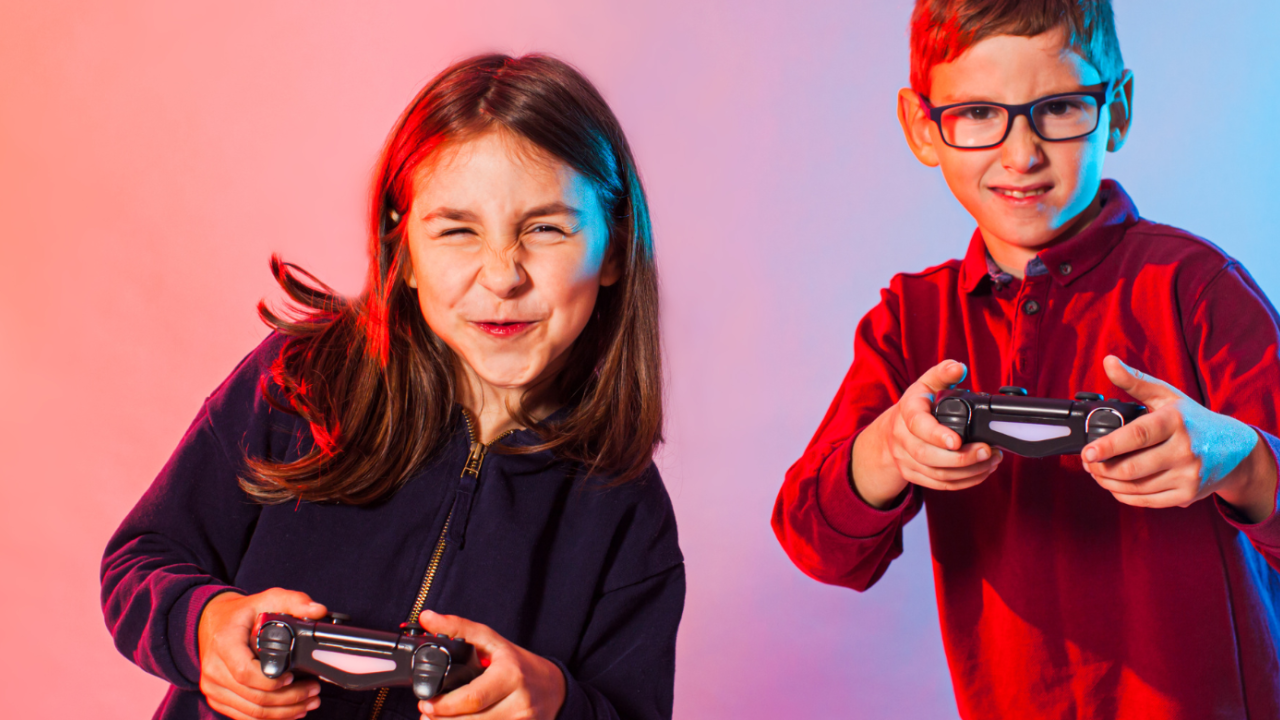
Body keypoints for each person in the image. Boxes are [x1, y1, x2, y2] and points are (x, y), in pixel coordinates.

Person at [102, 54, 683, 720]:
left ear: (613, 250)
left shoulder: (626, 511)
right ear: (402, 248)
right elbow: (140, 559)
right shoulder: (304, 381)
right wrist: (204, 625)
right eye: (457, 230)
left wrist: (556, 703)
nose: (502, 276)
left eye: (546, 228)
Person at [772, 1, 1280, 717]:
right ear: (923, 126)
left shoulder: (1199, 289)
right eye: (978, 113)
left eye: (1061, 107)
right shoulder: (911, 320)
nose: (1021, 155)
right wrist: (887, 451)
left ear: (1119, 108)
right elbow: (818, 546)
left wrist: (1242, 460)